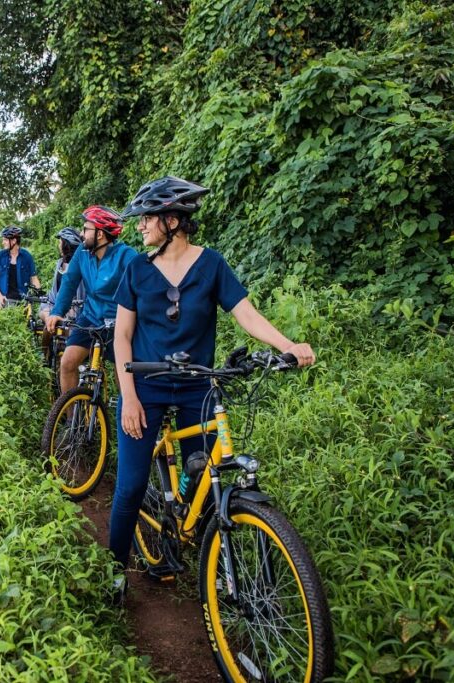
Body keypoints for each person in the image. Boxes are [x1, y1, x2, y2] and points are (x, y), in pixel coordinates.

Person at [109, 175, 316, 601]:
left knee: (204, 478)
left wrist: (288, 345)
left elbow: (246, 314)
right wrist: (128, 395)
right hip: (143, 388)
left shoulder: (212, 265)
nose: (140, 227)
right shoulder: (136, 269)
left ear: (172, 220)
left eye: (147, 219)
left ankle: (214, 565)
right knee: (129, 486)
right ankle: (113, 571)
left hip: (197, 389)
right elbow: (122, 336)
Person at [45, 206, 139, 394]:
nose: (81, 233)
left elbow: (140, 292)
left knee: (124, 375)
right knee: (68, 363)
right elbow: (69, 283)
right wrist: (56, 312)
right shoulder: (82, 253)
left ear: (100, 234)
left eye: (86, 229)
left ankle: (124, 416)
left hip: (119, 322)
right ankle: (72, 420)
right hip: (90, 317)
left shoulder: (126, 256)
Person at [38, 227, 86, 322]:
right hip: (57, 304)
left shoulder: (81, 264)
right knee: (43, 312)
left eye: (60, 242)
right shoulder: (60, 263)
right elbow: (54, 293)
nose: (59, 246)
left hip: (76, 308)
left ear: (67, 245)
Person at [0, 226, 41, 308]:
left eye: (5, 240)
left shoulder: (27, 256)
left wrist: (39, 293)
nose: (3, 242)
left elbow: (33, 278)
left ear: (14, 241)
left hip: (24, 300)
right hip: (5, 299)